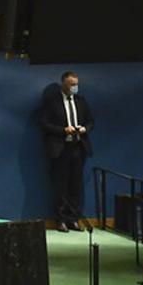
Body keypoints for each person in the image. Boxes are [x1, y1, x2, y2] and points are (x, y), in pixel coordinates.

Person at [40, 71, 94, 233]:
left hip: (78, 148)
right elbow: (44, 123)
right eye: (72, 84)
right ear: (63, 83)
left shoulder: (81, 101)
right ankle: (61, 220)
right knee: (60, 185)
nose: (75, 87)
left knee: (76, 185)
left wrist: (84, 129)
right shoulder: (52, 102)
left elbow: (91, 121)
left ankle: (73, 219)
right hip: (60, 149)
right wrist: (64, 130)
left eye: (76, 84)